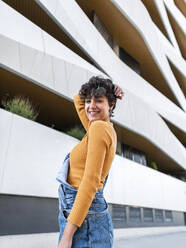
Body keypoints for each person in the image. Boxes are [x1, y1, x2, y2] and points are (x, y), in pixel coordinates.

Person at [56, 76, 124, 248]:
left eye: (99, 101)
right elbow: (78, 101)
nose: (91, 106)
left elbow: (90, 182)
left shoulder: (100, 128)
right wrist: (108, 88)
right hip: (85, 215)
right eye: (89, 101)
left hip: (85, 218)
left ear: (111, 105)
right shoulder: (98, 127)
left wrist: (67, 234)